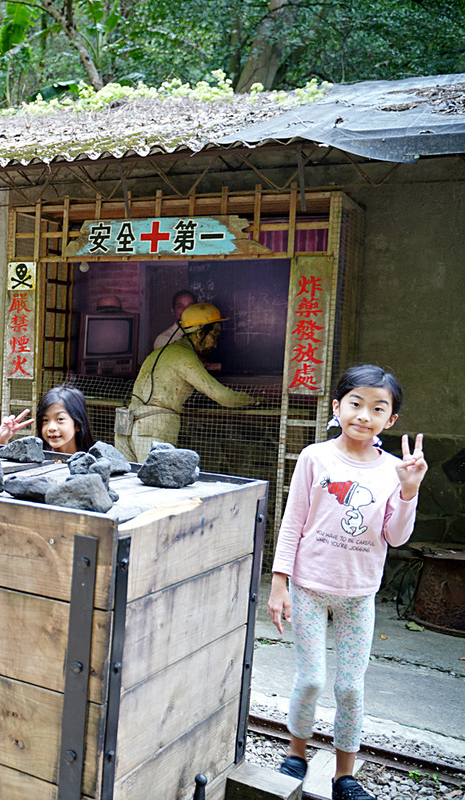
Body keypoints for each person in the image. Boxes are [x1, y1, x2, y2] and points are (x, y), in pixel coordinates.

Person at [268, 365, 427, 800]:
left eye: (378, 408)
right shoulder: (315, 457)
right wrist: (279, 582)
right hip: (308, 587)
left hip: (359, 594)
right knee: (312, 679)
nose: (364, 415)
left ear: (390, 420)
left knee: (350, 686)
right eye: (355, 403)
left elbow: (396, 536)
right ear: (337, 407)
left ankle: (344, 776)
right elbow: (293, 521)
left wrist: (409, 491)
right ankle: (296, 753)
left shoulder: (396, 469)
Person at [115, 302, 256, 462]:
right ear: (200, 333)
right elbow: (223, 396)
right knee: (157, 484)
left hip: (125, 428)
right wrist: (254, 400)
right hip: (153, 429)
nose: (215, 344)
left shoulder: (158, 353)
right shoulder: (185, 356)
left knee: (127, 484)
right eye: (214, 336)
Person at [0, 385, 95, 454]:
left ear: (77, 424)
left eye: (60, 419)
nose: (51, 428)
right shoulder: (34, 456)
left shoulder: (93, 461)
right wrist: (1, 439)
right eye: (45, 420)